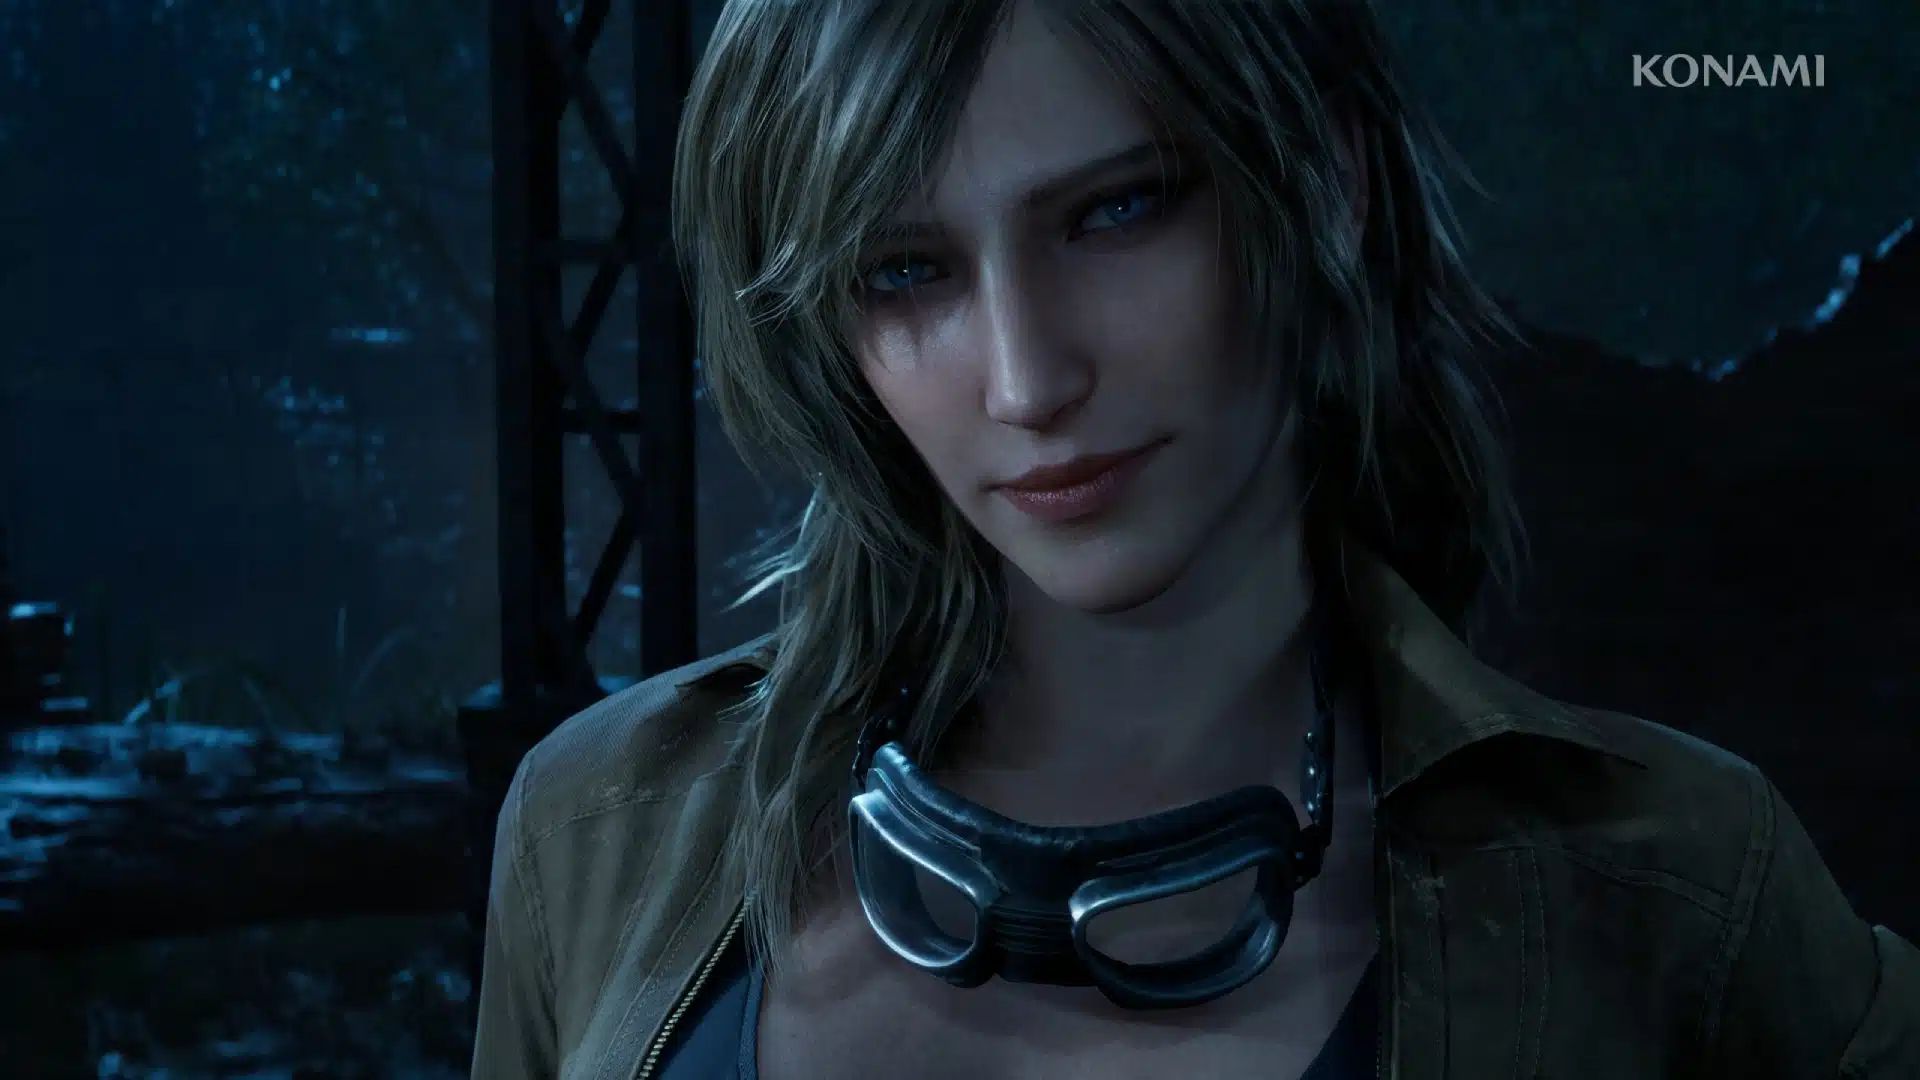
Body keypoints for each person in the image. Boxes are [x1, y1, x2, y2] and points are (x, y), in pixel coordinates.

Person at [471, 1, 1920, 1077]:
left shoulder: (1674, 896)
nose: (1028, 381)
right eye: (904, 270)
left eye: (1115, 212)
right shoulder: (602, 827)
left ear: (1329, 184)